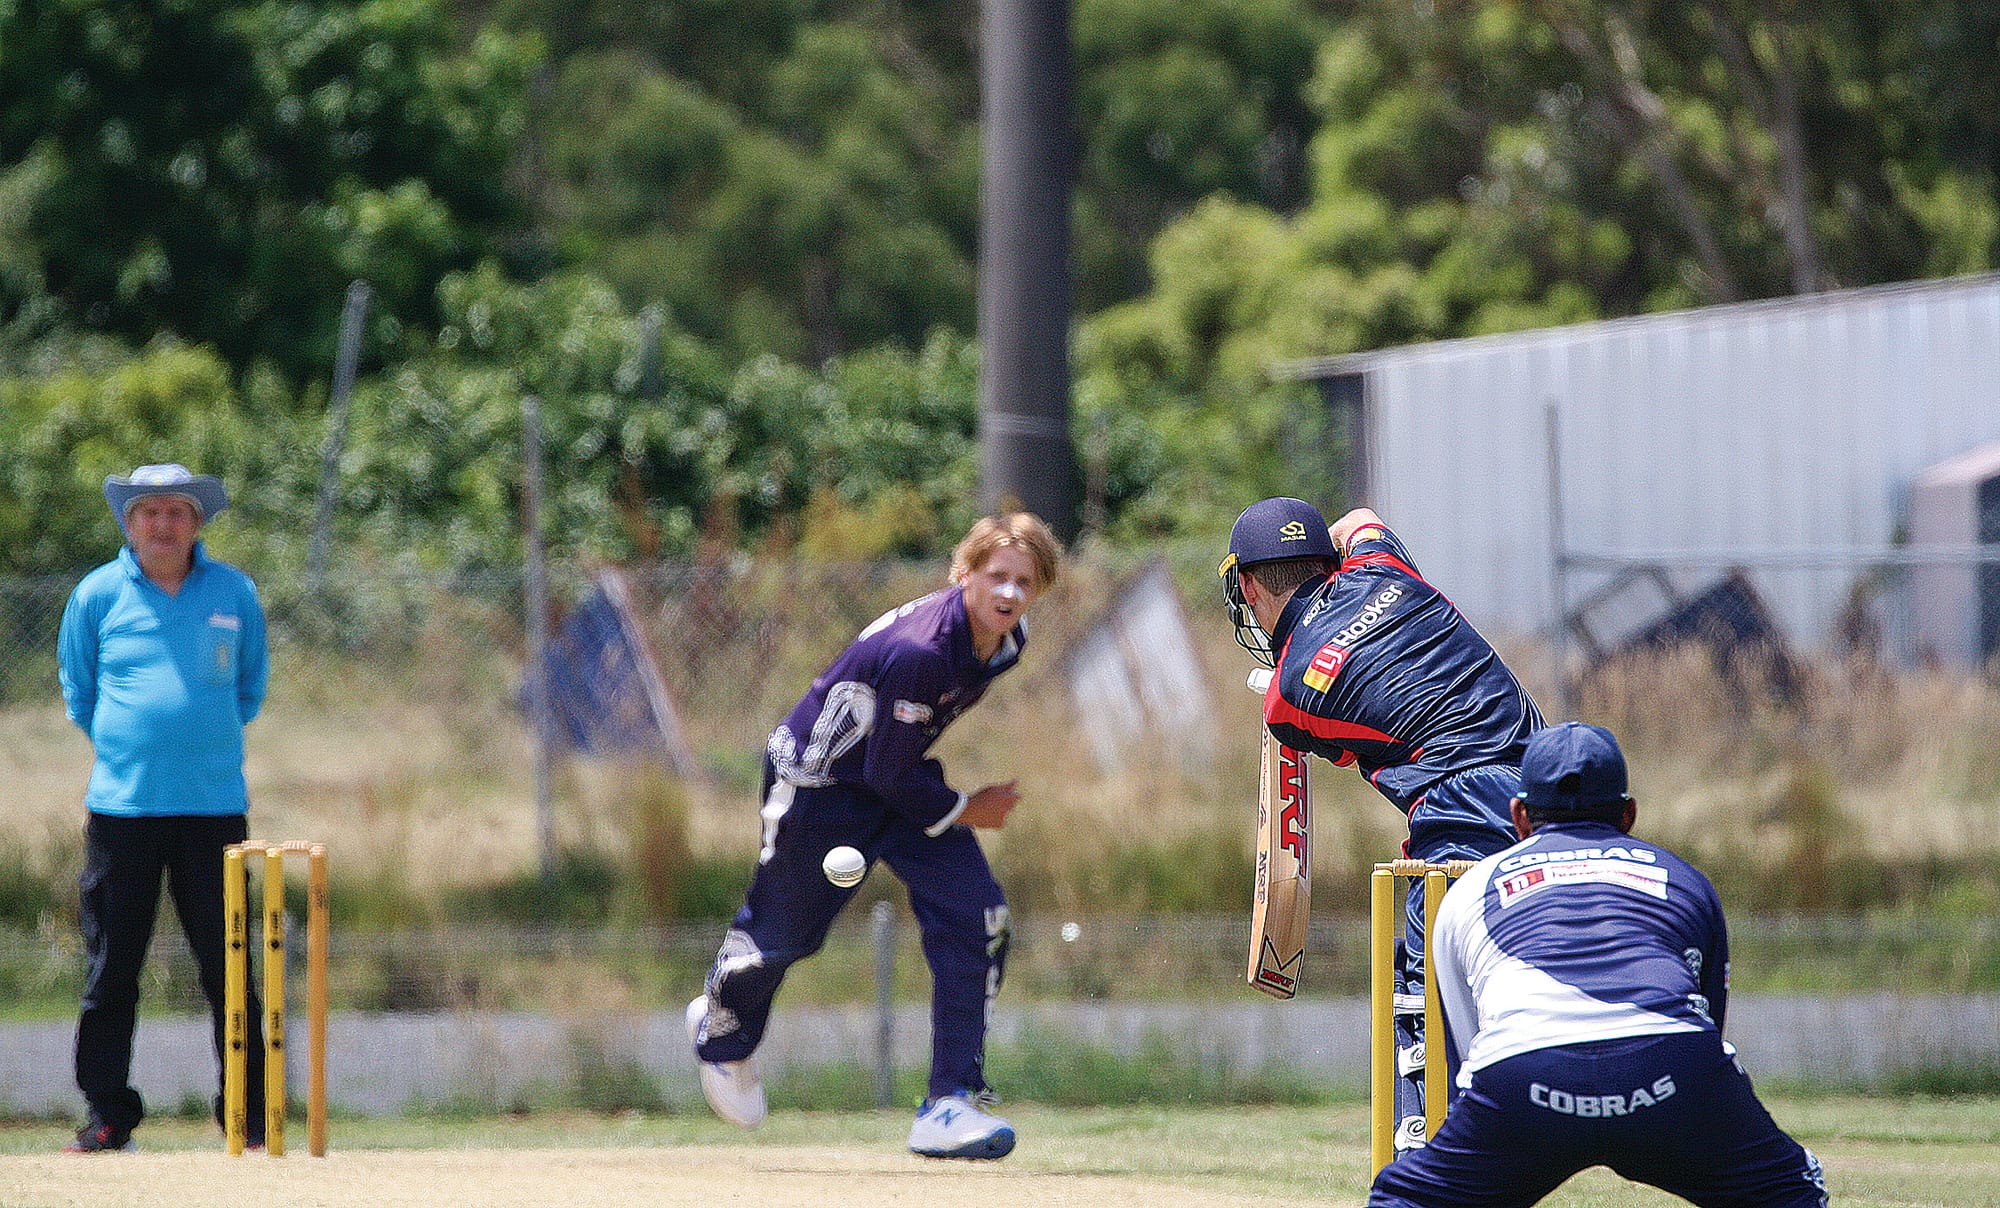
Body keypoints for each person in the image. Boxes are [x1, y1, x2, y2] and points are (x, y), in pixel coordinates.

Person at [687, 513, 1063, 1159]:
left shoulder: (1006, 640)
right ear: (963, 574)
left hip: (898, 782)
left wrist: (948, 804)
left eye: (1024, 582)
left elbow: (894, 764)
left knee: (979, 918)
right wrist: (970, 808)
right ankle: (725, 1031)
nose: (1009, 594)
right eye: (996, 576)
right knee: (781, 939)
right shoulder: (922, 652)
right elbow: (885, 767)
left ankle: (949, 1104)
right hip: (820, 788)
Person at [1370, 722, 1828, 1206]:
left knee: (1405, 1198)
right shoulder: (1686, 880)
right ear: (1628, 814)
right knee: (1790, 1189)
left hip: (1524, 1072)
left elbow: (1469, 1050)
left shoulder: (1467, 892)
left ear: (1518, 815)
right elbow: (1707, 1022)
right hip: (1669, 1065)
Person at [1218, 497, 1543, 1153]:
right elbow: (1361, 515)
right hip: (1552, 785)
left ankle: (1422, 1160)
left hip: (1463, 811)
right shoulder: (1383, 567)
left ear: (1248, 586)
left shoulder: (1288, 700)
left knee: (1423, 998)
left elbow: (1347, 742)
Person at [57, 464, 270, 1153]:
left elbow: (249, 689)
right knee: (113, 967)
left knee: (229, 965)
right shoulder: (97, 595)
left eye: (176, 512)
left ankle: (248, 1112)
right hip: (123, 812)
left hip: (213, 811)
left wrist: (193, 748)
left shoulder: (233, 593)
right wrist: (133, 749)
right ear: (129, 523)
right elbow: (80, 693)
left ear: (197, 523)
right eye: (148, 512)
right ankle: (109, 1113)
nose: (162, 525)